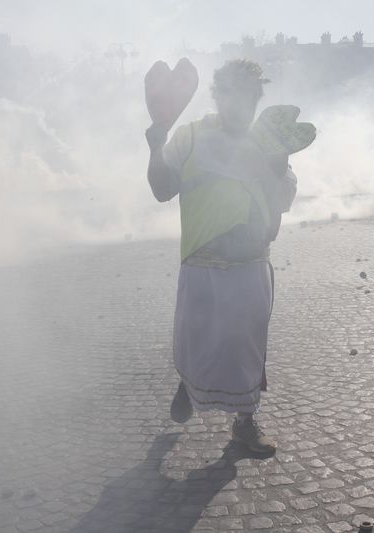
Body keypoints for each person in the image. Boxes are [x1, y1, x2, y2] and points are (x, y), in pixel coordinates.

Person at [145, 59, 311, 454]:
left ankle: (244, 424)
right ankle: (190, 383)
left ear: (256, 99)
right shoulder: (191, 135)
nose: (241, 105)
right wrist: (155, 146)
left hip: (251, 260)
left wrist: (278, 162)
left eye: (249, 96)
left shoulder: (268, 141)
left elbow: (283, 199)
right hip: (202, 257)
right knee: (196, 339)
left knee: (247, 346)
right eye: (232, 94)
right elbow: (162, 189)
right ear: (218, 96)